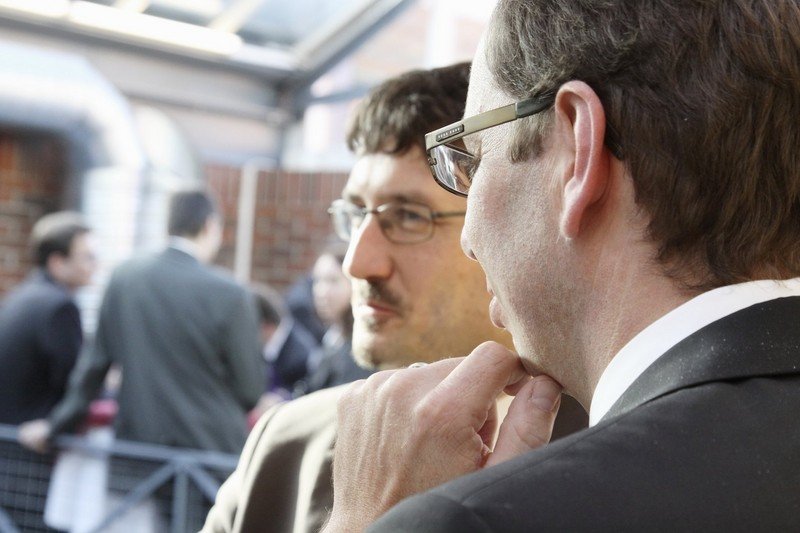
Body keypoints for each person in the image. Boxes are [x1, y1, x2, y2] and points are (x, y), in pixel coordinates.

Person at [323, 1, 800, 531]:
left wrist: (370, 522)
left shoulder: (473, 519)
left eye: (474, 159)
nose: (468, 239)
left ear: (577, 151)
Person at [201, 63, 585, 533]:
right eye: (355, 214)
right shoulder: (287, 446)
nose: (357, 263)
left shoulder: (624, 456)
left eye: (408, 216)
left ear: (503, 224)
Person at [19, 189, 264, 454]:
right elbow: (250, 390)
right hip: (209, 453)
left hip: (140, 450)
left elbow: (93, 368)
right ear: (210, 225)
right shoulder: (232, 294)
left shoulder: (125, 277)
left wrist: (55, 425)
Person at [0, 211, 96, 424]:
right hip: (29, 434)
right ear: (58, 263)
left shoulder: (22, 295)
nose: (94, 265)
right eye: (87, 257)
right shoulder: (59, 307)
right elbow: (74, 384)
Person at [303, 241, 372, 393]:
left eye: (332, 281)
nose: (321, 291)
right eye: (317, 280)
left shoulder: (360, 349)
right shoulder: (332, 335)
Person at [249, 282, 318, 418]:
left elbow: (306, 394)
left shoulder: (300, 356)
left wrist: (282, 399)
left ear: (266, 326)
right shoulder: (276, 343)